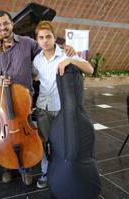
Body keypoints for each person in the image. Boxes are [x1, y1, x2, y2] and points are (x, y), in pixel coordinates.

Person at [0, 10, 76, 185]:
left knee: (25, 135)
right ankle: (8, 166)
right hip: (4, 100)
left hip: (23, 100)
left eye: (5, 23)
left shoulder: (27, 43)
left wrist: (65, 47)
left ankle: (25, 168)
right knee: (5, 135)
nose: (2, 27)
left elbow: (47, 47)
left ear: (12, 24)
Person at [33, 21, 93, 188]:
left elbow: (89, 69)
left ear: (54, 38)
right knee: (44, 142)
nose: (45, 40)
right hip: (43, 107)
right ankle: (46, 173)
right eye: (41, 37)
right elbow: (31, 75)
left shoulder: (66, 53)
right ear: (37, 40)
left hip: (62, 108)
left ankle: (63, 172)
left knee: (63, 142)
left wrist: (72, 62)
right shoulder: (37, 60)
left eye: (48, 37)